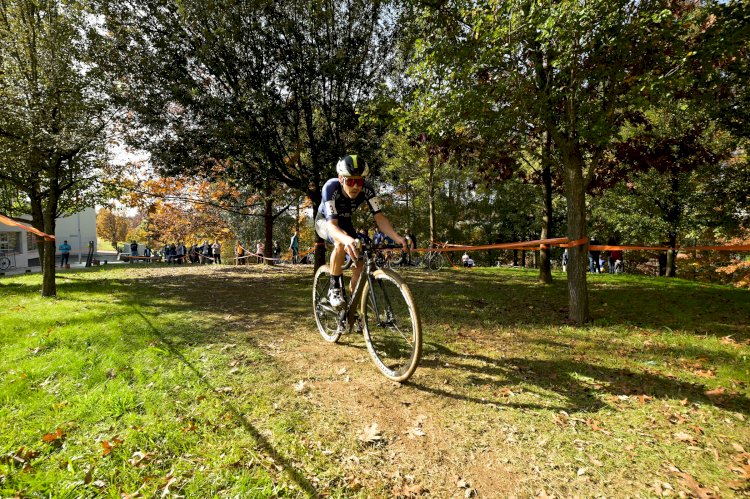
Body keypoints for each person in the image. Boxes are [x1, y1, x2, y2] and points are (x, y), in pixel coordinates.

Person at [315, 154, 407, 308]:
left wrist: (397, 237)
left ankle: (353, 308)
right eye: (351, 181)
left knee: (360, 264)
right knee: (340, 242)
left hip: (345, 222)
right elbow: (332, 226)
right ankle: (334, 288)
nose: (356, 186)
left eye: (359, 181)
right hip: (325, 221)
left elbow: (379, 218)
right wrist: (346, 239)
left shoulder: (368, 189)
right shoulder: (330, 187)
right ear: (340, 178)